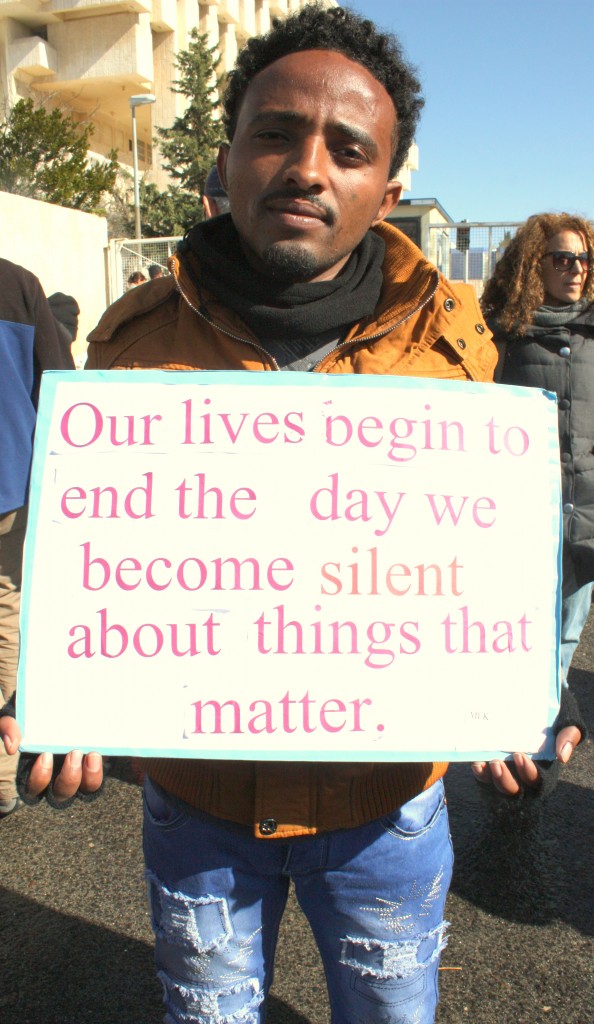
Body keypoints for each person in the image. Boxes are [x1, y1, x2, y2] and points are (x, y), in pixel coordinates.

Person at [18, 6, 584, 1021]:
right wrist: (64, 698)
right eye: (275, 133)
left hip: (387, 810)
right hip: (198, 808)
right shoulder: (132, 344)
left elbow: (482, 559)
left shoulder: (457, 342)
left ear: (389, 188)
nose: (307, 167)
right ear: (226, 156)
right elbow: (102, 559)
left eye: (348, 147)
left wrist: (515, 687)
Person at [482, 213, 594, 689]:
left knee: (567, 633)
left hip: (588, 512)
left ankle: (546, 728)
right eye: (563, 258)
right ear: (533, 266)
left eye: (584, 259)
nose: (577, 269)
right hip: (524, 513)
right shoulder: (501, 335)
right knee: (519, 626)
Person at [0, 258, 74, 818]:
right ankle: (2, 778)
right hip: (8, 480)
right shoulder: (16, 282)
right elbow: (56, 380)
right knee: (6, 614)